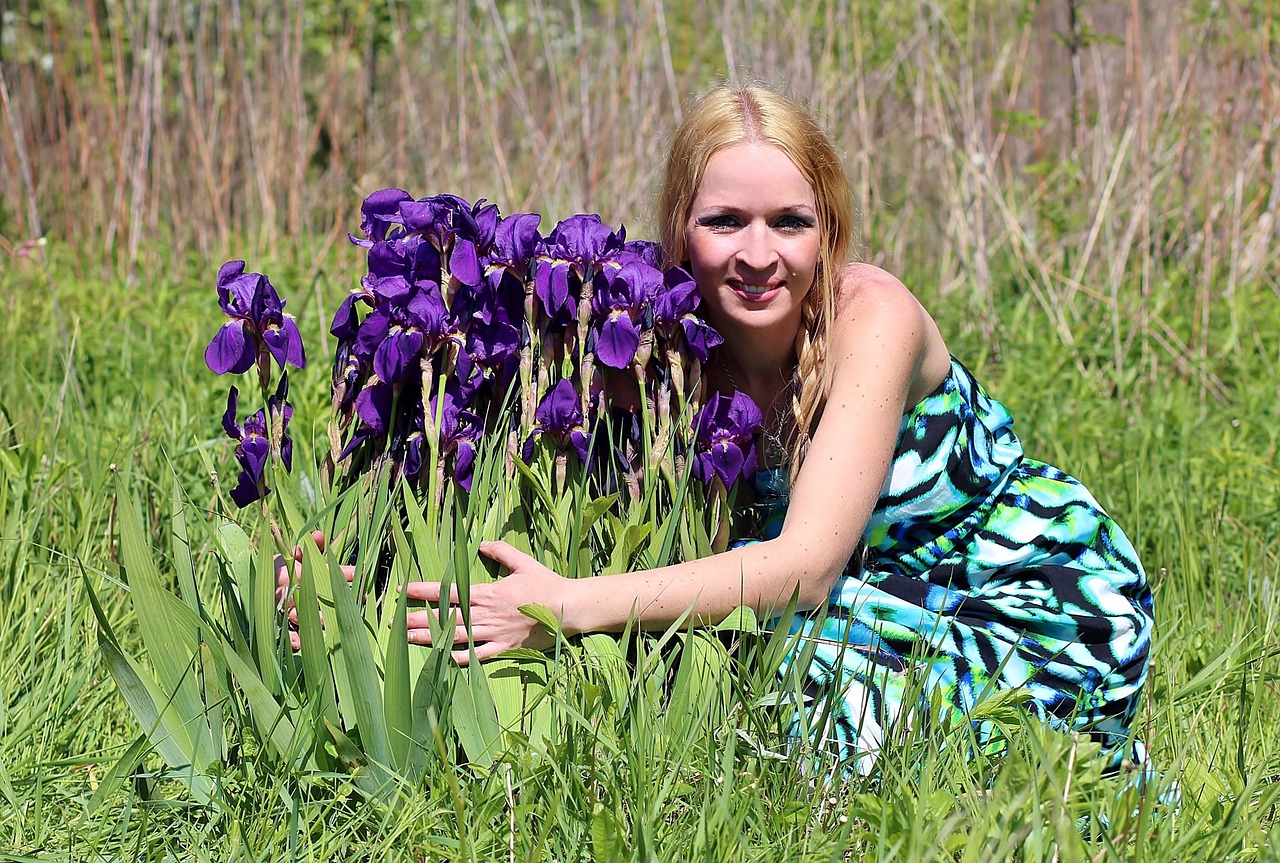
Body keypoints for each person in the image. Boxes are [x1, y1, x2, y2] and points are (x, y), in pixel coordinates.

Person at [339, 84, 1154, 773]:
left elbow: (800, 570)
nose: (758, 254)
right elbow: (496, 475)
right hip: (828, 609)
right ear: (678, 227)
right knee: (698, 672)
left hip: (1017, 595)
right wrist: (361, 591)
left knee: (787, 711)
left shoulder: (874, 320)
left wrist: (562, 607)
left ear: (828, 228)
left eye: (790, 222)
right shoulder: (654, 345)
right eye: (726, 221)